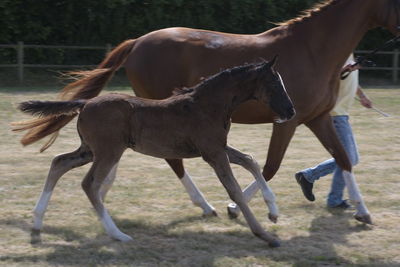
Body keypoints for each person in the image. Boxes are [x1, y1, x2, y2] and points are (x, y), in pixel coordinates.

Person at [295, 54, 372, 209]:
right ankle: (334, 200)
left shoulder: (349, 53)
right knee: (347, 160)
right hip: (335, 114)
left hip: (342, 115)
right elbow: (326, 78)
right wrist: (344, 69)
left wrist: (362, 96)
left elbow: (350, 80)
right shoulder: (337, 53)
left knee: (352, 159)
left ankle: (308, 176)